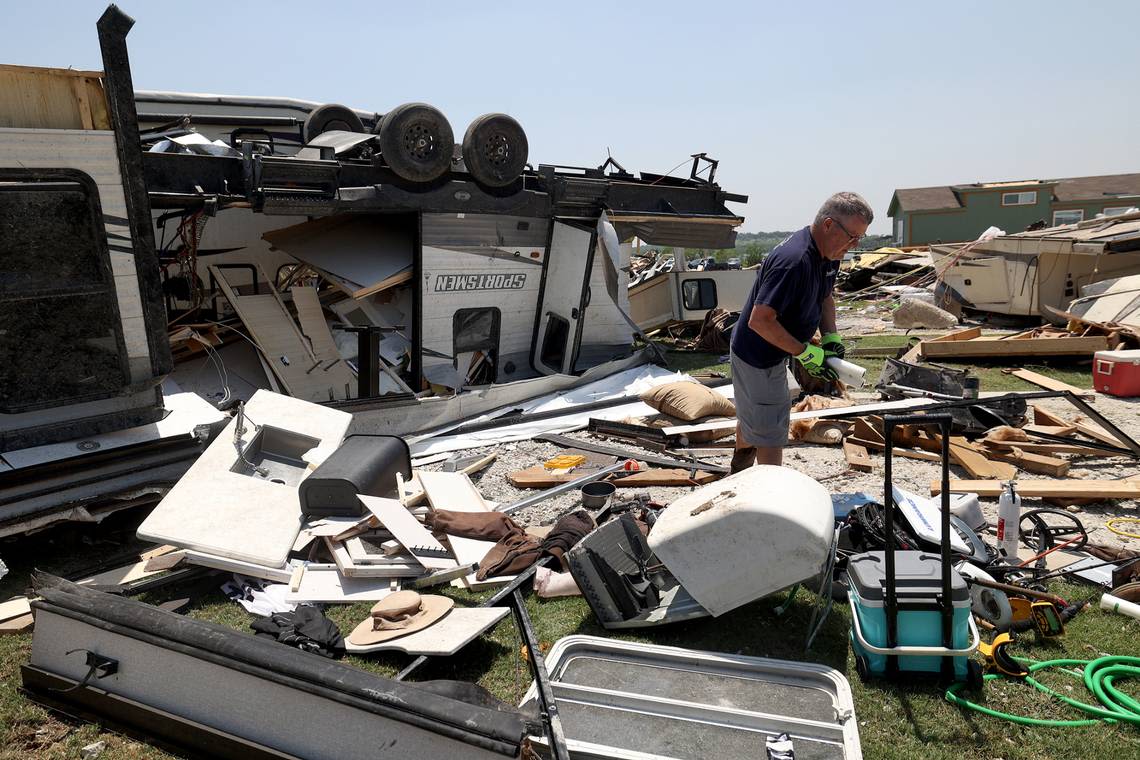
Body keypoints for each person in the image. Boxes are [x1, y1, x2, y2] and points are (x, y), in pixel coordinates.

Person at [729, 192, 873, 472]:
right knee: (771, 431)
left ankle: (738, 470)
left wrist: (831, 338)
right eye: (852, 236)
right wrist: (805, 352)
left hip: (778, 348)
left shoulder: (829, 254)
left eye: (860, 238)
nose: (854, 245)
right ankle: (772, 499)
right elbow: (760, 321)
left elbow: (825, 296)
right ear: (829, 225)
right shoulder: (793, 262)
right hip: (757, 354)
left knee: (757, 416)